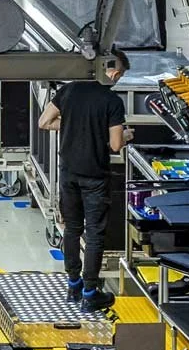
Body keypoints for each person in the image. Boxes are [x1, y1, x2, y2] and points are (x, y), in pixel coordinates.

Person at [36, 51, 130, 310]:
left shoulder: (69, 90)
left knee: (72, 229)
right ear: (113, 72)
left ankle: (73, 285)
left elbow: (45, 122)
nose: (117, 78)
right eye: (118, 74)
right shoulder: (112, 101)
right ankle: (90, 293)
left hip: (68, 174)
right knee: (95, 234)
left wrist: (72, 126)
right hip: (95, 177)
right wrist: (125, 134)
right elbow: (114, 145)